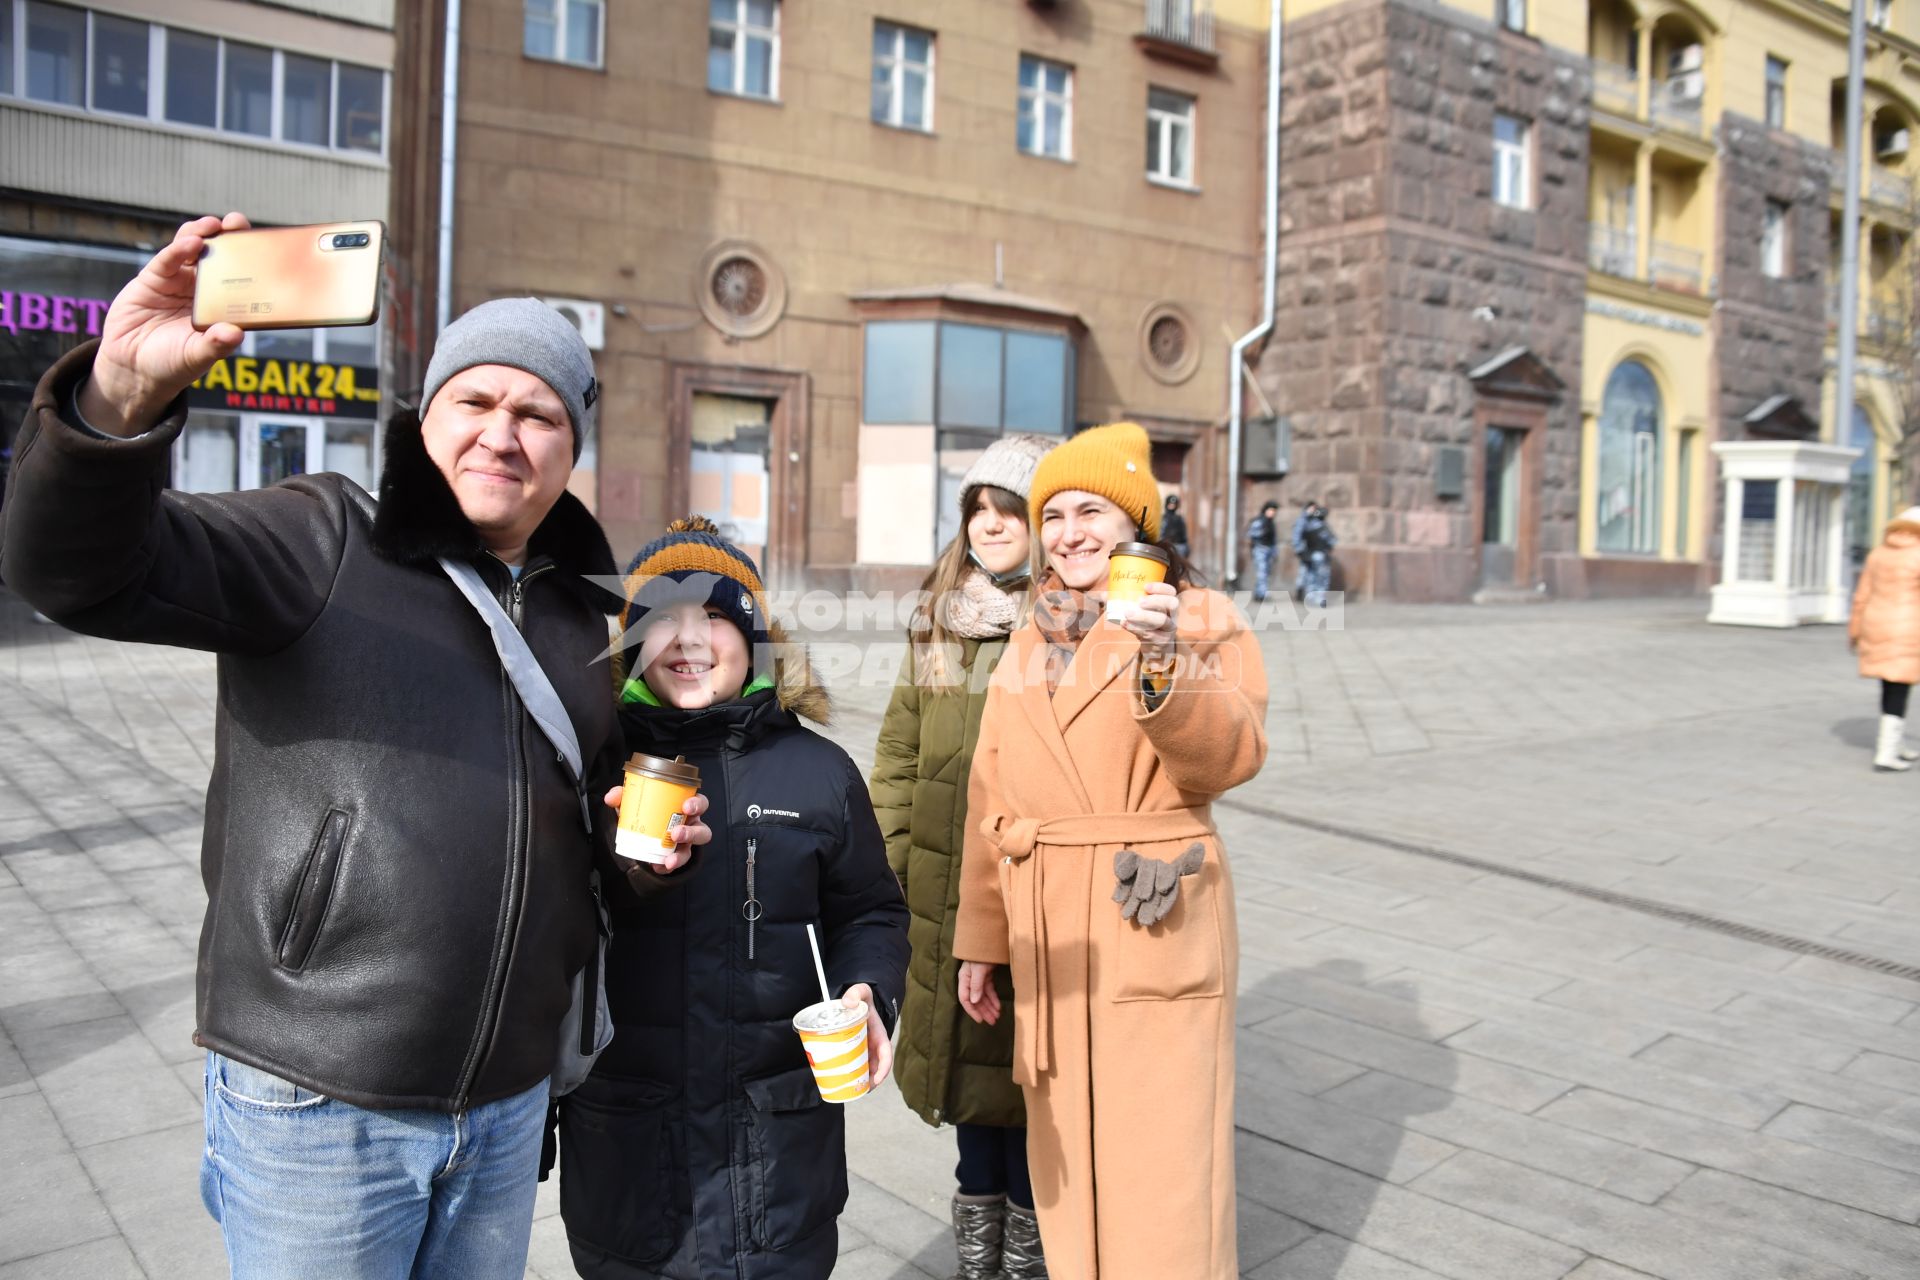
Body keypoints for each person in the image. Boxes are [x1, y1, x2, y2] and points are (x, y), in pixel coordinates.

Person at [0, 213, 712, 1280]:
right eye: (476, 400)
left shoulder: (587, 620)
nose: (503, 433)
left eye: (539, 414)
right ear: (428, 416)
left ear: (573, 447)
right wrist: (117, 400)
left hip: (510, 1102)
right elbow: (75, 574)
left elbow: (583, 830)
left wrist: (644, 858)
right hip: (319, 1094)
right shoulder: (322, 536)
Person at [953, 422, 1269, 1280]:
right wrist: (981, 941)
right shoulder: (1034, 627)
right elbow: (994, 787)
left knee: (1163, 1171)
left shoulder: (1197, 615)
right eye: (1052, 514)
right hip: (1052, 931)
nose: (1068, 533)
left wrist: (1165, 663)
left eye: (1091, 509)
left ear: (1135, 522)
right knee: (1068, 1170)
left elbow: (1232, 756)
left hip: (1150, 909)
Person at [557, 515, 909, 1279]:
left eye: (712, 617)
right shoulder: (590, 764)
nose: (687, 641)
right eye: (661, 620)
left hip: (778, 1161)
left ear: (753, 639)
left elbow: (871, 910)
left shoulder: (818, 772)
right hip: (627, 1153)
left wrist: (869, 994)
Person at [870, 434, 1055, 1280]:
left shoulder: (1068, 627)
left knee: (1026, 1094)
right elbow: (899, 756)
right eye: (976, 510)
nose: (987, 525)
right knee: (971, 1096)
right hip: (940, 896)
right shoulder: (940, 615)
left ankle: (1029, 1255)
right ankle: (980, 1259)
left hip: (1028, 900)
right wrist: (896, 864)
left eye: (1006, 510)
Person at [1849, 505, 1920, 772]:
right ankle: (1886, 752)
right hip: (1908, 627)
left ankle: (1895, 743)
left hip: (1876, 624)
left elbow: (1861, 595)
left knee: (1890, 685)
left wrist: (1855, 630)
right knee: (1900, 685)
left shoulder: (1878, 554)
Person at [1292, 500, 1337, 609]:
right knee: (1318, 577)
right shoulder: (1313, 524)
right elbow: (1332, 541)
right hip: (1315, 554)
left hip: (1313, 554)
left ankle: (1312, 597)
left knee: (1312, 576)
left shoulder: (1312, 524)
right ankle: (1317, 598)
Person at [1246, 500, 1280, 602]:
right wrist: (1262, 532)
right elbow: (1251, 534)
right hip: (1260, 549)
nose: (1273, 513)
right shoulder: (1259, 521)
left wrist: (1275, 551)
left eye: (1274, 511)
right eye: (1271, 510)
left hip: (1269, 549)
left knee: (1266, 572)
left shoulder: (1271, 522)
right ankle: (1262, 593)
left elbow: (1273, 539)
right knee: (1262, 572)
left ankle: (1259, 593)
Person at [1162, 493, 1189, 559]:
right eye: (1170, 505)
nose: (1172, 506)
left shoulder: (1180, 519)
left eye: (1173, 505)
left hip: (1178, 547)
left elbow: (1184, 536)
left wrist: (1185, 547)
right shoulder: (1163, 518)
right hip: (1165, 547)